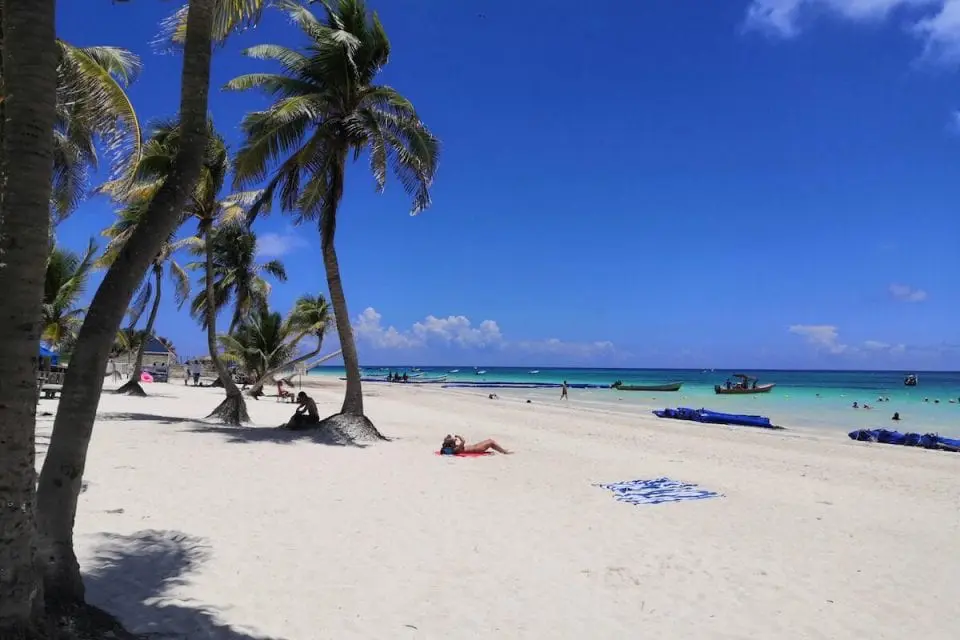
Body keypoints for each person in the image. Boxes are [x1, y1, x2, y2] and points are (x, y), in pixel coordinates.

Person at [440, 434, 511, 455]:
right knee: (491, 442)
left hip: (475, 446)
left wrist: (453, 440)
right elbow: (463, 441)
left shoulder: (454, 447)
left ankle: (502, 450)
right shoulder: (456, 449)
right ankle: (504, 451)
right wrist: (458, 436)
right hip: (477, 449)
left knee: (490, 441)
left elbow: (447, 441)